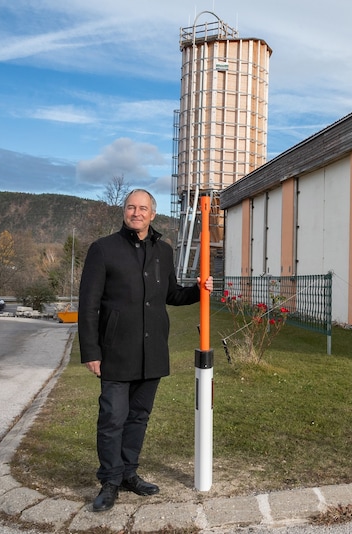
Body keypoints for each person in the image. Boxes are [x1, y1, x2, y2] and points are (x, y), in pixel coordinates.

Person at [78, 189, 213, 512]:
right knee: (112, 419)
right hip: (115, 352)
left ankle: (128, 473)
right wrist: (91, 351)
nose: (136, 213)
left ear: (153, 214)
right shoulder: (103, 250)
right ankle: (110, 482)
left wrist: (197, 290)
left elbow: (171, 295)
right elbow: (88, 306)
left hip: (152, 353)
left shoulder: (163, 251)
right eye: (130, 207)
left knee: (138, 417)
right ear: (124, 212)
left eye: (143, 208)